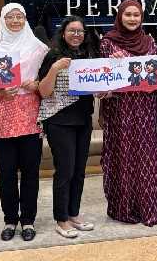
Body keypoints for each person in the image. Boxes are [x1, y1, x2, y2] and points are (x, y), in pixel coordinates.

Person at [99, 0, 157, 226]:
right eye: (128, 14)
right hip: (120, 109)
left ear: (142, 17)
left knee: (147, 158)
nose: (132, 19)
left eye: (136, 15)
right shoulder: (108, 43)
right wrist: (112, 64)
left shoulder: (150, 42)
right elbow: (103, 81)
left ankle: (149, 206)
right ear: (120, 16)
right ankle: (124, 207)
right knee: (123, 155)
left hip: (146, 108)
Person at [0, 3, 48, 242]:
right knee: (6, 173)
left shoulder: (39, 47)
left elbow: (50, 77)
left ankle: (28, 220)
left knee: (31, 172)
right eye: (10, 17)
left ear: (25, 19)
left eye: (19, 17)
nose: (15, 21)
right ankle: (10, 219)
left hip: (30, 113)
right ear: (2, 19)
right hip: (2, 114)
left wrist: (37, 84)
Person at [38, 16, 98, 238]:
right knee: (65, 170)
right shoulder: (53, 55)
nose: (76, 35)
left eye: (80, 31)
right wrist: (54, 69)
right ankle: (61, 219)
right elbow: (43, 92)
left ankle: (73, 213)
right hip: (58, 120)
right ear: (63, 33)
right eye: (72, 31)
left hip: (83, 119)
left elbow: (96, 85)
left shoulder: (88, 56)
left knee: (79, 171)